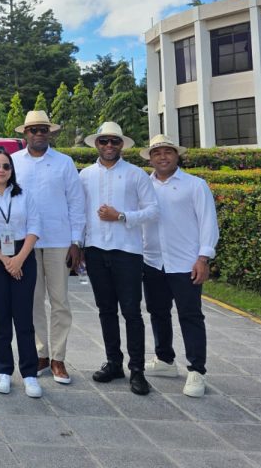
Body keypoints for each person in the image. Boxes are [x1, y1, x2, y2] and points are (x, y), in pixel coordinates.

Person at [79, 121, 159, 396]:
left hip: (127, 251)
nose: (109, 146)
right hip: (95, 250)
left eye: (114, 141)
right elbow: (80, 212)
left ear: (122, 144)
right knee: (105, 310)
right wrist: (79, 245)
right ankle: (114, 362)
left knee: (131, 312)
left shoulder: (136, 174)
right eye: (104, 141)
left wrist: (122, 216)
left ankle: (137, 370)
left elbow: (153, 210)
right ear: (97, 144)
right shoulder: (85, 175)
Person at [140, 135, 219, 398]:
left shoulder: (195, 185)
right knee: (158, 311)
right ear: (150, 159)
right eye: (157, 153)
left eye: (168, 152)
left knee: (190, 315)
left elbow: (208, 223)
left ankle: (197, 370)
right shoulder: (144, 186)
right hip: (153, 260)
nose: (162, 157)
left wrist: (203, 258)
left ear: (177, 156)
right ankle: (165, 360)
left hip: (185, 262)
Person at [12, 111, 86, 384]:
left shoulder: (64, 163)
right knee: (32, 300)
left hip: (58, 240)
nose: (39, 134)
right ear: (25, 133)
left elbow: (76, 203)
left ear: (50, 133)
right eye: (33, 130)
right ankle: (41, 353)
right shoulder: (13, 162)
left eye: (43, 129)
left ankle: (58, 357)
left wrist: (76, 241)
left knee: (60, 301)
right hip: (25, 242)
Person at [0, 150, 42, 398]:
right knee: (0, 316)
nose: (1, 170)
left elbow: (34, 227)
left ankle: (29, 374)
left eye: (6, 166)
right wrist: (5, 260)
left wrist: (19, 259)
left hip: (23, 254)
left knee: (24, 317)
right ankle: (3, 370)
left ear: (11, 170)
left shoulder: (24, 195)